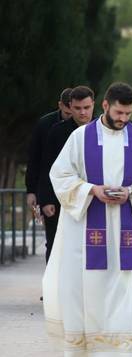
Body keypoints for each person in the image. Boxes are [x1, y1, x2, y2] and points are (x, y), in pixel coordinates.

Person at [42, 82, 132, 357]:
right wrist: (91, 190)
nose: (123, 119)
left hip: (127, 229)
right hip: (84, 229)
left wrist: (131, 192)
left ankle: (120, 354)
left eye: (128, 114)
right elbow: (60, 176)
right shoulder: (80, 137)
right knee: (83, 288)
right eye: (119, 112)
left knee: (122, 288)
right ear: (105, 106)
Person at [38, 86, 95, 262]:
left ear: (94, 104)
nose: (82, 113)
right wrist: (45, 199)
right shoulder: (57, 131)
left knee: (91, 244)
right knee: (55, 244)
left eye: (86, 108)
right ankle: (54, 288)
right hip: (59, 199)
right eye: (77, 108)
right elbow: (46, 166)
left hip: (92, 196)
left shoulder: (101, 131)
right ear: (70, 106)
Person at [25, 88, 72, 260]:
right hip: (50, 190)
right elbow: (36, 159)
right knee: (53, 240)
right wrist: (32, 190)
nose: (70, 116)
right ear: (60, 105)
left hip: (73, 190)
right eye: (67, 112)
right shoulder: (45, 124)